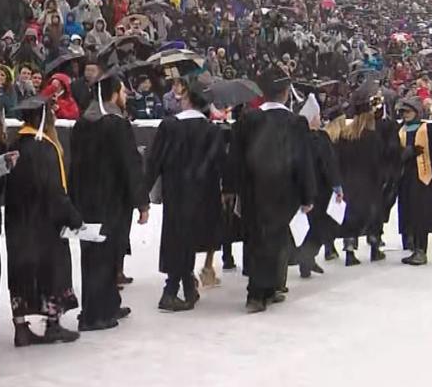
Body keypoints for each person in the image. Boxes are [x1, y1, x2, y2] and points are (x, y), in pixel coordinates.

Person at [225, 66, 317, 313]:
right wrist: (307, 194)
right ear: (286, 92)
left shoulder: (249, 119)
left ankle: (258, 292)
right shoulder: (296, 123)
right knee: (277, 239)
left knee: (256, 238)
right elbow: (303, 161)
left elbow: (235, 157)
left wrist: (231, 187)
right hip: (284, 191)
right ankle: (267, 288)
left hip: (254, 189)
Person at [69, 66, 147, 331]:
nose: (125, 95)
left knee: (93, 253)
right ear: (114, 95)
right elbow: (130, 165)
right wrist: (142, 202)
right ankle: (96, 314)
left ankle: (106, 303)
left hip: (85, 201)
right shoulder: (115, 123)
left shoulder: (82, 123)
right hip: (112, 201)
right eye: (123, 91)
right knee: (104, 254)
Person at [143, 74, 225, 311]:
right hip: (203, 194)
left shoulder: (170, 126)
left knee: (178, 239)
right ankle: (179, 288)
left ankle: (177, 288)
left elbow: (153, 161)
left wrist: (142, 194)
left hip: (175, 193)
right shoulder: (211, 131)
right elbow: (220, 163)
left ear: (187, 98)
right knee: (189, 239)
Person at [5, 96, 83, 345]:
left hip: (18, 222)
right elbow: (54, 190)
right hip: (44, 224)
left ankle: (21, 328)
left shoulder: (15, 144)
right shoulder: (45, 148)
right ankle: (53, 324)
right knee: (51, 270)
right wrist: (73, 217)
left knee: (21, 271)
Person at [333, 83, 396, 265]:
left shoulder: (346, 135)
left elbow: (339, 160)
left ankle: (350, 250)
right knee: (372, 214)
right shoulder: (372, 137)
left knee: (351, 215)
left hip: (350, 181)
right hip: (369, 182)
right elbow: (378, 161)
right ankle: (375, 247)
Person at [394, 97, 432, 265]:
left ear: (416, 112)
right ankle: (414, 247)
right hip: (406, 179)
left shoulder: (429, 129)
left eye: (408, 111)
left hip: (424, 181)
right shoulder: (400, 130)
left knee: (421, 214)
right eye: (403, 112)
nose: (405, 115)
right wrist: (406, 153)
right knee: (409, 214)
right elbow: (390, 152)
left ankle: (421, 250)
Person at [295, 95, 342, 279]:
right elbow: (329, 163)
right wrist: (336, 185)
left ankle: (306, 259)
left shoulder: (297, 138)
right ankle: (307, 256)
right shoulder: (320, 138)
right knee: (321, 226)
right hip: (320, 188)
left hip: (303, 188)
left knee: (308, 226)